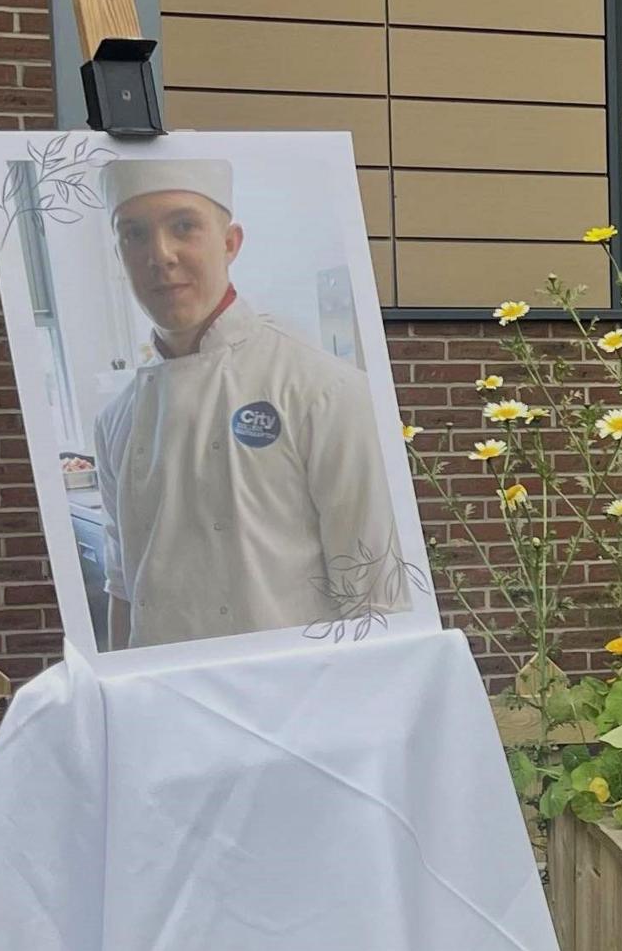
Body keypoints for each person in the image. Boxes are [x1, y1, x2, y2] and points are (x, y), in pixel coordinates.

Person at [91, 158, 412, 651]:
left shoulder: (325, 392)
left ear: (230, 242)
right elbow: (122, 589)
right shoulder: (117, 422)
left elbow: (378, 600)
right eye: (134, 235)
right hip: (165, 710)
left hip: (295, 707)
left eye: (184, 227)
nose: (161, 255)